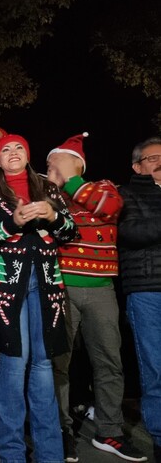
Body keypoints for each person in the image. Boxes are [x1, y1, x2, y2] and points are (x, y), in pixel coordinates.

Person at [47, 133, 146, 462]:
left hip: (101, 288)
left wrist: (71, 178)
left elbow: (109, 207)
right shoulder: (51, 198)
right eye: (49, 162)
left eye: (55, 161)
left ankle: (110, 432)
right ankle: (61, 431)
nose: (50, 167)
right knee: (58, 364)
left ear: (77, 165)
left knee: (108, 363)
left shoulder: (102, 187)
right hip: (62, 288)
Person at [0, 134, 76, 463]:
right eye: (6, 149)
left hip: (48, 283)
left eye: (19, 147)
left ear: (28, 153)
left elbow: (71, 231)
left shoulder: (48, 187)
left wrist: (52, 216)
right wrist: (12, 221)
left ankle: (50, 455)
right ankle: (12, 454)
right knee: (12, 365)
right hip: (7, 285)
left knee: (45, 365)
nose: (13, 152)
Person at [118, 136, 161, 463]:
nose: (160, 161)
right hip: (148, 290)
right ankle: (160, 436)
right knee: (155, 367)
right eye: (153, 158)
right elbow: (131, 234)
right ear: (137, 166)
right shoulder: (127, 194)